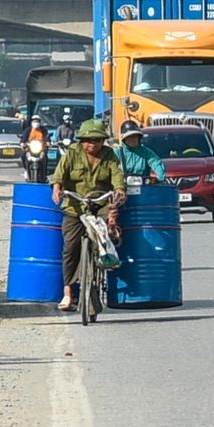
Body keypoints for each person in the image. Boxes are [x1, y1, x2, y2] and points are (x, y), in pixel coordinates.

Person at [50, 119, 125, 312]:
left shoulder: (109, 155)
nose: (93, 144)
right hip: (76, 206)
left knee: (104, 234)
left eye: (97, 140)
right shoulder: (72, 153)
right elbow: (59, 176)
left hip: (100, 203)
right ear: (82, 141)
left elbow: (117, 175)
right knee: (71, 247)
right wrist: (57, 190)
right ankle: (68, 292)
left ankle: (104, 262)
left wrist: (119, 189)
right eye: (89, 140)